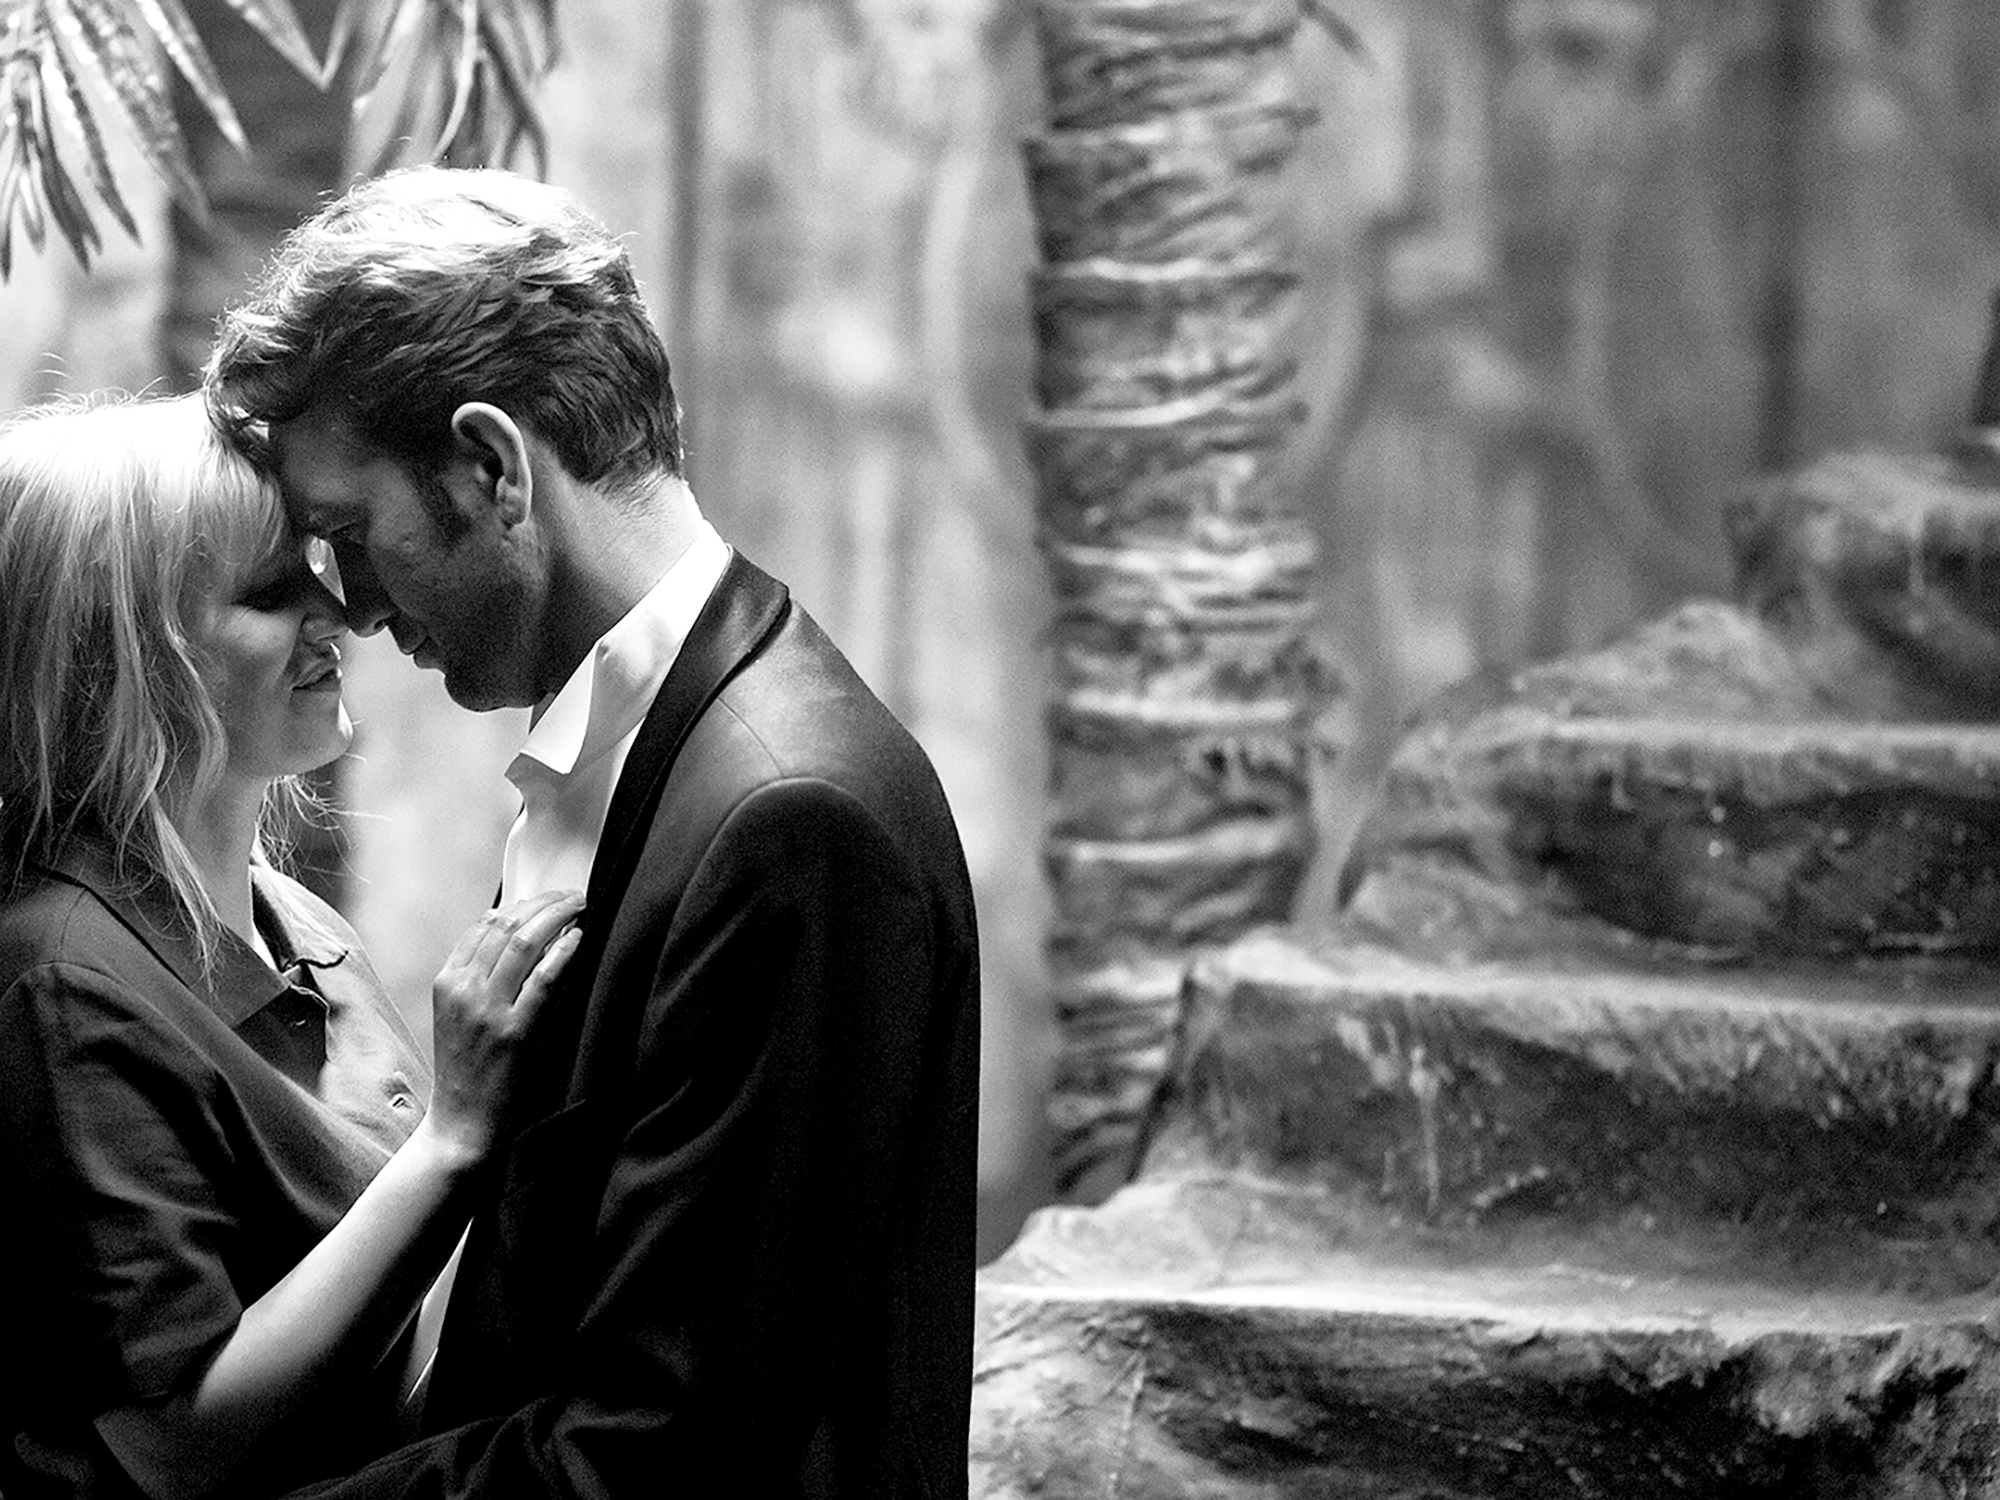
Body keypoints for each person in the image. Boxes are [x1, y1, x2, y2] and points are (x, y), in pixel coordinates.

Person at [205, 166, 982, 1499]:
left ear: (492, 467)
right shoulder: (639, 744)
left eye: (351, 534)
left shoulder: (791, 820)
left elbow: (664, 1452)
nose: (356, 607)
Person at [0, 392, 587, 1500]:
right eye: (272, 592)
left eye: (320, 565)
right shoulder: (62, 980)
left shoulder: (294, 919)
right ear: (123, 654)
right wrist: (454, 1141)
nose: (340, 614)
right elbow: (176, 1444)